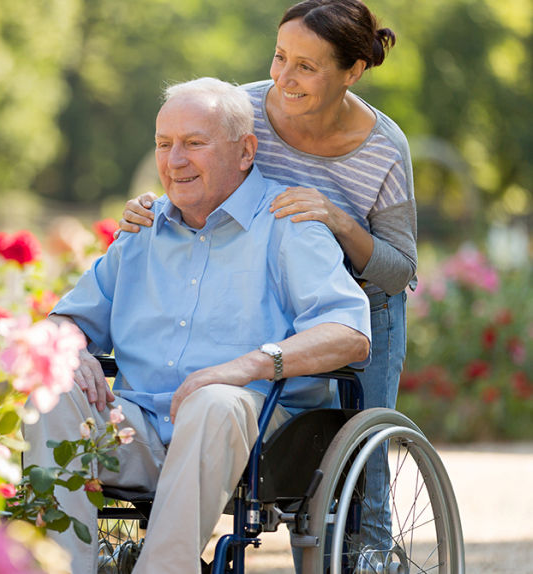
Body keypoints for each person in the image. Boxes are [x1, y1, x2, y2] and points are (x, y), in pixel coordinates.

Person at [24, 77, 371, 574]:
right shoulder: (141, 232)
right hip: (139, 432)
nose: (175, 160)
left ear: (245, 151)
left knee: (214, 400)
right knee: (50, 389)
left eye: (194, 143)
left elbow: (349, 334)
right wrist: (70, 351)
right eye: (164, 144)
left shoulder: (288, 223)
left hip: (256, 441)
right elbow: (67, 321)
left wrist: (241, 367)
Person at [118, 0, 415, 552]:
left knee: (362, 472)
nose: (283, 77)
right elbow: (195, 166)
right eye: (280, 57)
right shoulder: (247, 109)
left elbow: (401, 270)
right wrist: (154, 207)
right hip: (257, 287)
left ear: (351, 71)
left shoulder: (383, 149)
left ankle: (371, 557)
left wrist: (338, 220)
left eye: (306, 66)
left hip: (361, 301)